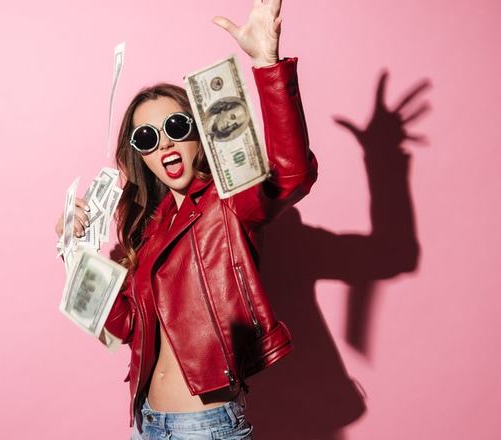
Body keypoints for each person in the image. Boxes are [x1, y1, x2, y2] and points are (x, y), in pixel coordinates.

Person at [54, 1, 318, 438]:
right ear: (138, 153)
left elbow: (291, 174)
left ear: (197, 131)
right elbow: (125, 326)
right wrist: (73, 250)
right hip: (147, 423)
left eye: (176, 127)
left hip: (205, 427)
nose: (164, 144)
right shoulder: (149, 228)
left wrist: (267, 65)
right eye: (147, 137)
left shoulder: (229, 202)